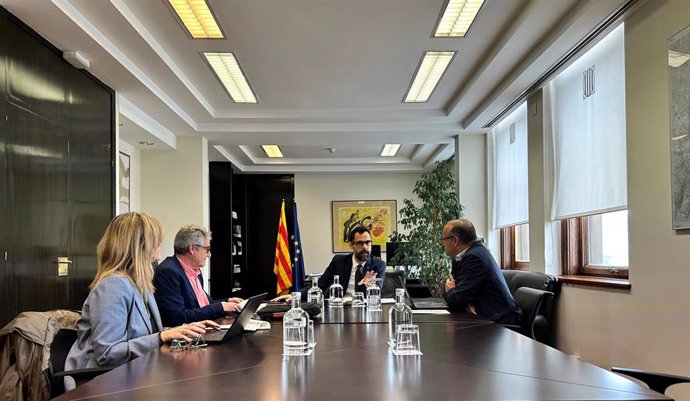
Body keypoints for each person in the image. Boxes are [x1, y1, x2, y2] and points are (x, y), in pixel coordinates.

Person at [64, 213, 218, 389]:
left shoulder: (139, 283)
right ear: (139, 245)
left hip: (136, 373)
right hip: (102, 383)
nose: (161, 244)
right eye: (156, 239)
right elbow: (107, 354)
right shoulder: (112, 286)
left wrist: (180, 330)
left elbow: (146, 334)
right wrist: (161, 337)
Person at [153, 225, 243, 327]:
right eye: (207, 249)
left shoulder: (195, 271)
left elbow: (205, 305)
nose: (209, 255)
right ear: (192, 248)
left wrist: (227, 302)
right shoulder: (167, 272)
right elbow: (177, 318)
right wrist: (222, 307)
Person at [273, 226, 385, 302]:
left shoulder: (378, 265)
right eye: (360, 243)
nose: (365, 247)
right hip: (338, 309)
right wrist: (295, 295)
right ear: (351, 245)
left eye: (368, 243)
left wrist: (370, 286)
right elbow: (320, 285)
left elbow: (376, 295)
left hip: (364, 310)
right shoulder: (339, 261)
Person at [441, 218, 521, 325]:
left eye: (443, 239)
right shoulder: (464, 256)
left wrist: (450, 290)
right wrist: (459, 296)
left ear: (455, 240)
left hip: (500, 323)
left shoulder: (474, 257)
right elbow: (459, 296)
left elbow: (457, 299)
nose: (442, 244)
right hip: (485, 317)